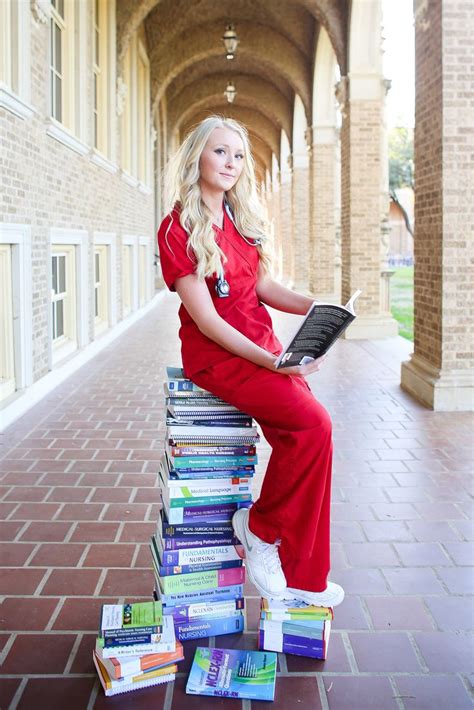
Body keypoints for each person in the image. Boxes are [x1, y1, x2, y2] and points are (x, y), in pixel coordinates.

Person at [157, 115, 344, 607]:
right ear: (198, 155)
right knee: (314, 425)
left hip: (262, 343)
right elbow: (207, 322)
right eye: (220, 152)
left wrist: (314, 306)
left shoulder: (241, 220)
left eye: (238, 155)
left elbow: (260, 287)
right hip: (219, 356)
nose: (231, 164)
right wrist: (272, 362)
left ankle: (306, 575)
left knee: (308, 438)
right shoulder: (178, 228)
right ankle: (260, 530)